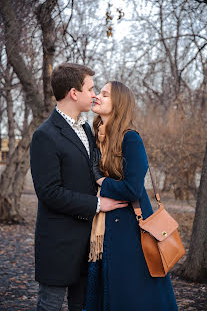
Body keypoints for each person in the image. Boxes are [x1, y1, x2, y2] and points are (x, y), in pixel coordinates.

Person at [30, 63, 128, 311]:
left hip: (89, 244)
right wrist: (97, 204)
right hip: (58, 244)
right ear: (74, 93)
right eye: (90, 89)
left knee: (83, 306)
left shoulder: (86, 128)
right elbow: (49, 192)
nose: (94, 94)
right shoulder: (45, 135)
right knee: (49, 306)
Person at [85, 81, 178, 311]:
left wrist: (102, 181)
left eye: (104, 95)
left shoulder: (130, 139)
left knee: (133, 295)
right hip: (105, 228)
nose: (97, 96)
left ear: (118, 104)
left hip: (133, 231)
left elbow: (133, 189)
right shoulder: (96, 137)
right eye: (99, 93)